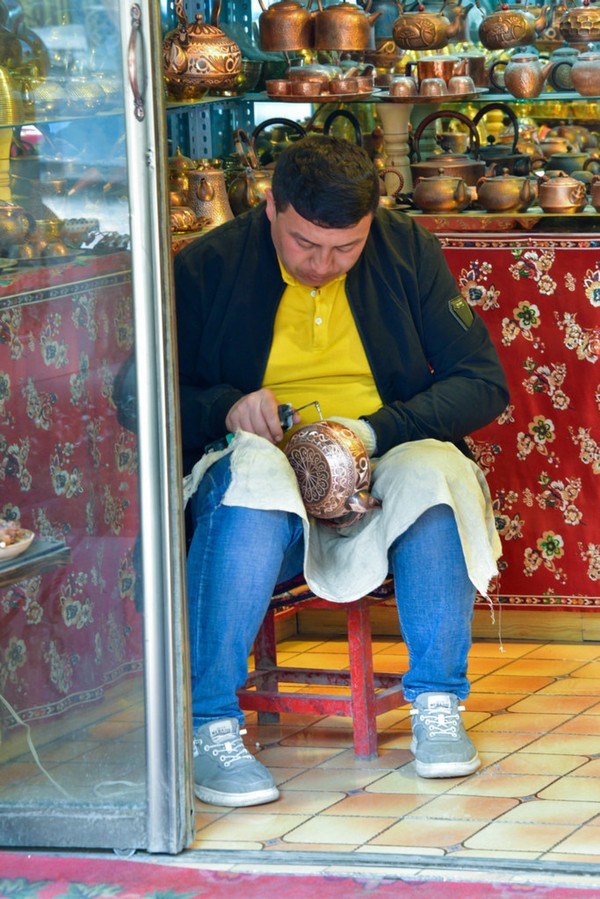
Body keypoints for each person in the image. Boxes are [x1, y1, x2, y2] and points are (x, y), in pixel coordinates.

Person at [174, 134, 509, 809]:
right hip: (258, 471)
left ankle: (438, 702)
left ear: (370, 223)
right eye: (305, 244)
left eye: (345, 248)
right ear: (271, 207)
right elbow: (138, 393)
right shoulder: (208, 263)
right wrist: (227, 407)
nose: (323, 264)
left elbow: (482, 382)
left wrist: (375, 431)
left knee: (432, 468)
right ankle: (209, 725)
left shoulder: (405, 248)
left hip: (378, 459)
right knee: (256, 475)